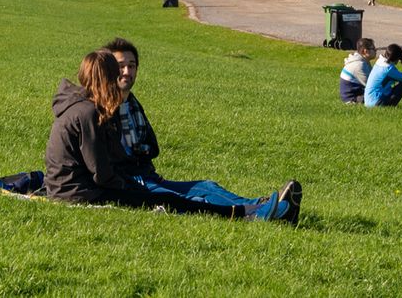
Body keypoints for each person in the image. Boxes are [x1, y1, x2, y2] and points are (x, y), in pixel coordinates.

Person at [44, 47, 300, 223]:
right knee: (167, 199)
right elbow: (101, 172)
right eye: (116, 72)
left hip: (92, 186)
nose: (122, 76)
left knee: (193, 190)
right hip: (80, 195)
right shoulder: (86, 112)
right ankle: (246, 213)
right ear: (105, 77)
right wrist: (131, 188)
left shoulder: (84, 106)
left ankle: (256, 208)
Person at [340, 38, 376, 104]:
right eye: (373, 49)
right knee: (380, 95)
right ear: (365, 51)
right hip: (352, 100)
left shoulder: (364, 61)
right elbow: (371, 86)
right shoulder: (359, 65)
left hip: (357, 94)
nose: (375, 51)